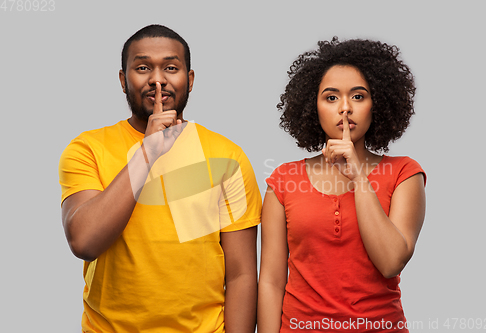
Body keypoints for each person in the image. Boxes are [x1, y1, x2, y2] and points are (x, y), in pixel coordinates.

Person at [59, 24, 261, 333]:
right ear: (123, 79)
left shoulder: (228, 157)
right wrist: (148, 152)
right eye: (142, 68)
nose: (157, 79)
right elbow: (85, 241)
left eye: (170, 67)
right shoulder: (88, 148)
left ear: (189, 80)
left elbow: (241, 275)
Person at [258, 37, 426, 332]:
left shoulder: (404, 173)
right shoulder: (284, 180)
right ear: (314, 105)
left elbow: (390, 262)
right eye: (331, 97)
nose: (345, 108)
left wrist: (360, 177)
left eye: (359, 96)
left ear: (378, 104)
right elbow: (271, 281)